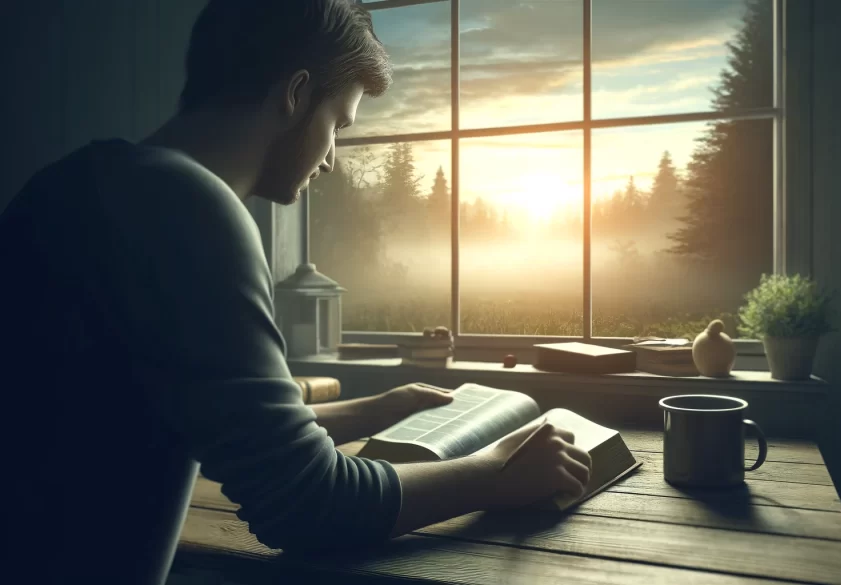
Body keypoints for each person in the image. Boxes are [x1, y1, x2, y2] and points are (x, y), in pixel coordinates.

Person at [0, 1, 591, 583]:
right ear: (295, 93)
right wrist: (495, 473)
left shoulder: (77, 181)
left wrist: (373, 409)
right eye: (338, 124)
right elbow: (308, 506)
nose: (332, 159)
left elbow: (178, 414)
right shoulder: (190, 208)